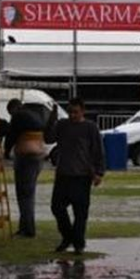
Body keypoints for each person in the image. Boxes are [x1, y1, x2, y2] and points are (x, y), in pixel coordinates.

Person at [45, 98, 105, 255]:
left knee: (80, 213)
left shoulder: (90, 128)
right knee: (57, 207)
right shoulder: (63, 125)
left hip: (82, 176)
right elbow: (48, 138)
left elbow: (98, 151)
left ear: (82, 111)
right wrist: (52, 118)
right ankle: (67, 237)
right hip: (63, 174)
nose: (72, 115)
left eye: (76, 112)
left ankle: (78, 244)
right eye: (70, 111)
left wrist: (99, 173)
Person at [4, 99, 47, 238]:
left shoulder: (18, 116)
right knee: (29, 194)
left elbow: (11, 135)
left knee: (23, 195)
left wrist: (6, 151)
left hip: (26, 157)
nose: (11, 116)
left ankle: (27, 230)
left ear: (13, 109)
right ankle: (28, 227)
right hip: (39, 156)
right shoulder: (35, 114)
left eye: (10, 113)